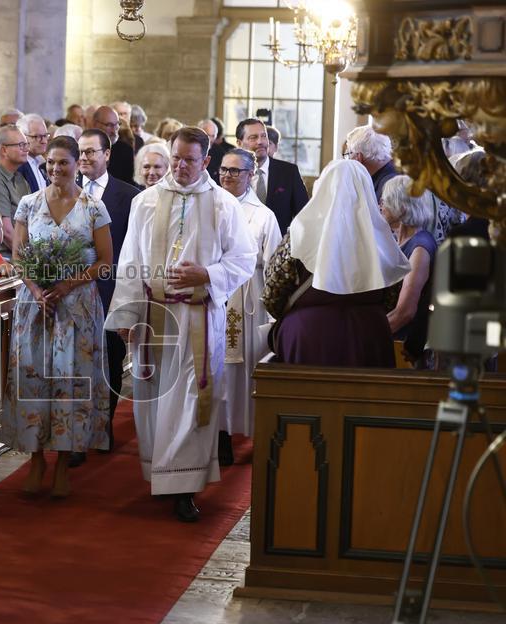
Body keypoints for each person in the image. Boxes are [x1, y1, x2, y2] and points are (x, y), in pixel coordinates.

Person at [104, 126, 257, 523]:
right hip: (154, 314)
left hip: (198, 318)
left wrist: (205, 274)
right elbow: (130, 261)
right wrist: (126, 313)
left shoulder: (224, 205)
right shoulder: (146, 202)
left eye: (190, 159)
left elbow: (243, 259)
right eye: (176, 158)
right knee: (155, 398)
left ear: (205, 161)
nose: (181, 166)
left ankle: (184, 488)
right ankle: (162, 473)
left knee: (192, 401)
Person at [2, 135, 114, 497]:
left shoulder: (93, 207)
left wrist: (65, 286)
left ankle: (64, 464)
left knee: (70, 383)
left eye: (62, 162)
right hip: (35, 306)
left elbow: (104, 262)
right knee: (33, 381)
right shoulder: (29, 204)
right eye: (50, 162)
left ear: (76, 163)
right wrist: (36, 290)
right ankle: (36, 461)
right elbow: (19, 255)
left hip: (75, 306)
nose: (54, 169)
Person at [262, 159, 410, 368]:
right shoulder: (381, 237)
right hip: (369, 333)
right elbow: (392, 292)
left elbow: (273, 291)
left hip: (308, 333)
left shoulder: (300, 232)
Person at [75, 128, 141, 463]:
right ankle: (75, 434)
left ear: (107, 154)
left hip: (112, 290)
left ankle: (103, 425)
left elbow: (132, 249)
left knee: (110, 361)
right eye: (80, 153)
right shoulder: (65, 193)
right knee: (76, 363)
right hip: (73, 291)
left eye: (90, 152)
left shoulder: (129, 196)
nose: (84, 158)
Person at [215, 148, 282, 461]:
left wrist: (273, 313)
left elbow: (274, 266)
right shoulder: (210, 206)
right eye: (223, 170)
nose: (227, 176)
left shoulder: (263, 216)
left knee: (249, 369)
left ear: (250, 176)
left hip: (249, 297)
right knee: (218, 368)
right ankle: (221, 436)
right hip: (215, 294)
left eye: (234, 171)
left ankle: (256, 434)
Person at [381, 175, 437, 368]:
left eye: (385, 200)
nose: (381, 206)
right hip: (391, 338)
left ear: (401, 207)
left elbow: (405, 312)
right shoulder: (398, 239)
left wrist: (370, 336)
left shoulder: (420, 247)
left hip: (404, 347)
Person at [236, 118, 308, 235]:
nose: (260, 141)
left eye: (264, 136)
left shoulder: (289, 172)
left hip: (278, 246)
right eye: (253, 138)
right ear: (239, 143)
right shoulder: (232, 173)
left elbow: (304, 215)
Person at [345, 124, 398, 202]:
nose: (348, 159)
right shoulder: (393, 173)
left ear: (359, 157)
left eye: (348, 155)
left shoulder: (390, 186)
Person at [92, 106, 135, 184]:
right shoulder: (82, 148)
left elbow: (130, 185)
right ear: (95, 124)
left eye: (117, 124)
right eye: (109, 125)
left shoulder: (125, 151)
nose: (114, 131)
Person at [17, 113, 49, 192]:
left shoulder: (43, 163)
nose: (44, 141)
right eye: (37, 137)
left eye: (45, 136)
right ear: (23, 137)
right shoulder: (17, 166)